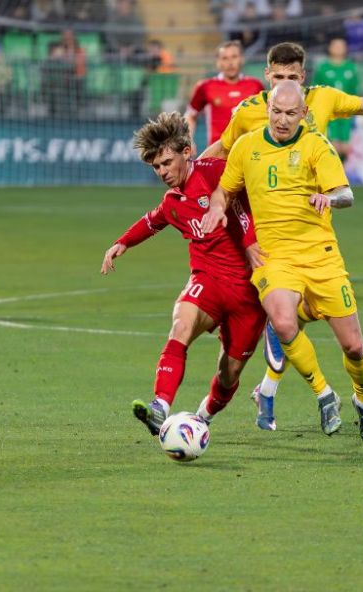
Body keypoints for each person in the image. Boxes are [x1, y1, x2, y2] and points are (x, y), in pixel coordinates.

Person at [201, 38, 363, 430]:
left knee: (317, 332)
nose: (285, 86)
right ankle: (304, 394)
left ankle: (270, 390)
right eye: (279, 78)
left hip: (314, 224)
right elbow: (221, 153)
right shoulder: (248, 115)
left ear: (303, 80)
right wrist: (186, 179)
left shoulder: (321, 103)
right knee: (277, 321)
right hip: (264, 232)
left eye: (293, 78)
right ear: (267, 77)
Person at [200, 81, 363, 444]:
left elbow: (346, 193)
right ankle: (324, 394)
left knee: (353, 347)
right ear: (268, 109)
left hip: (320, 255)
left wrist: (329, 199)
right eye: (277, 112)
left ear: (304, 114)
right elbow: (224, 189)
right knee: (283, 322)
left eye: (290, 113)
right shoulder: (247, 146)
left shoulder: (316, 144)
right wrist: (217, 208)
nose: (282, 120)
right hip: (275, 257)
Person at [100, 112, 266, 435]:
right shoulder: (173, 201)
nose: (162, 172)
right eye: (156, 167)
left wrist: (249, 243)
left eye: (166, 162)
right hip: (208, 280)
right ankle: (160, 406)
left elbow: (244, 202)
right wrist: (122, 243)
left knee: (229, 373)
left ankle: (203, 417)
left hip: (247, 290)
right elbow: (152, 221)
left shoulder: (216, 171)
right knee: (181, 325)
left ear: (186, 152)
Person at [184, 40, 264, 145]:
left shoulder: (255, 85)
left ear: (242, 59)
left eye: (234, 57)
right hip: (217, 151)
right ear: (218, 62)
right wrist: (188, 140)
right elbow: (190, 115)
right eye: (225, 58)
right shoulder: (206, 86)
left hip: (247, 149)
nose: (230, 62)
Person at [312, 37, 359, 158]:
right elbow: (315, 91)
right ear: (329, 48)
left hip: (346, 113)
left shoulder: (351, 68)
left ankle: (342, 169)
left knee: (345, 148)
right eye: (335, 45)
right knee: (331, 147)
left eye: (341, 46)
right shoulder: (323, 68)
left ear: (346, 49)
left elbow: (355, 91)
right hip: (329, 113)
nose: (338, 48)